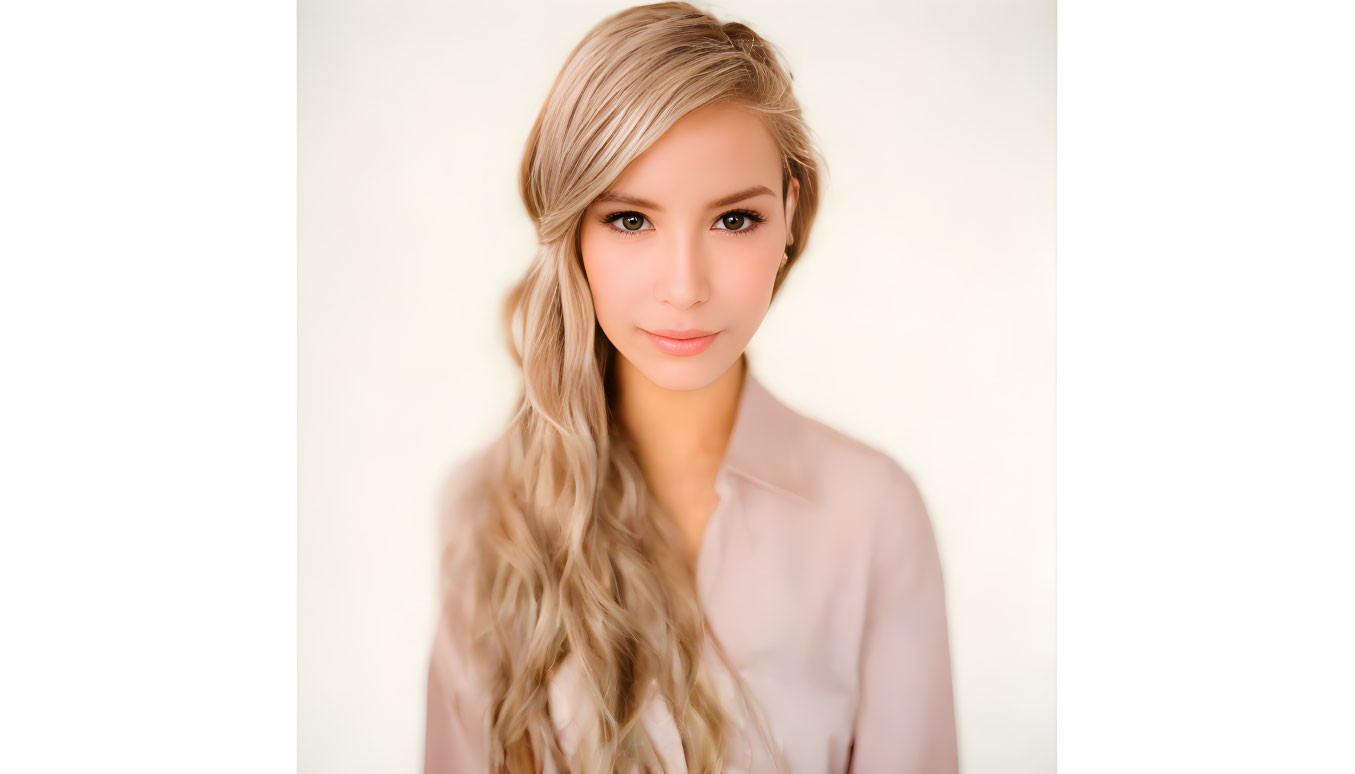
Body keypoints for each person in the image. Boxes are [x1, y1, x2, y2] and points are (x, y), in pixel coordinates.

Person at [424, 3, 958, 772]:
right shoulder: (484, 510)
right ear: (572, 230)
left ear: (788, 219)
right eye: (630, 220)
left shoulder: (872, 515)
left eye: (733, 220)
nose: (683, 287)